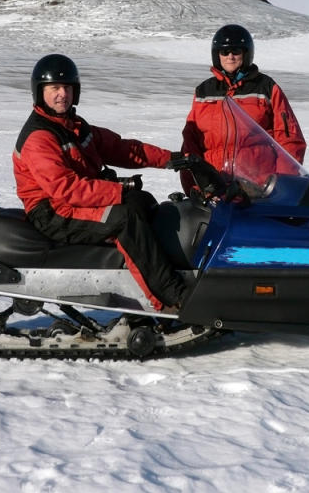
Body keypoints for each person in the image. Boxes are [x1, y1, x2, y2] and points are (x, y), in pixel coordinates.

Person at [13, 53, 188, 312]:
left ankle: (161, 276)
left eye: (67, 88)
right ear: (40, 93)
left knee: (144, 202)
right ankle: (171, 297)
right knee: (125, 218)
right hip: (52, 211)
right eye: (54, 89)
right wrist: (119, 191)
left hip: (69, 202)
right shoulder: (40, 136)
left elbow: (121, 149)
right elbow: (66, 189)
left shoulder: (75, 126)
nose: (62, 94)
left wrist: (170, 159)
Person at [181, 24, 306, 187]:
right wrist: (194, 186)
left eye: (236, 51)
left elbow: (289, 137)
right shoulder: (203, 91)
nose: (230, 56)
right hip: (215, 186)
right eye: (225, 52)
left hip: (258, 186)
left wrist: (282, 182)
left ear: (246, 54)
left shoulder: (265, 87)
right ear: (217, 55)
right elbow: (191, 140)